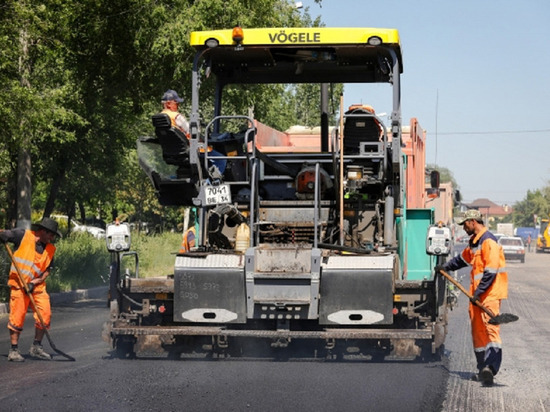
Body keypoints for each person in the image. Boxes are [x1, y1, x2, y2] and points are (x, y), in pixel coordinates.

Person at [436, 209, 508, 386]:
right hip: (477, 297)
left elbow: (491, 271)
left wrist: (479, 293)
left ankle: (491, 368)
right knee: (478, 333)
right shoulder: (475, 243)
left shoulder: (488, 241)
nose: (463, 227)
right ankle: (482, 368)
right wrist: (445, 266)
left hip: (489, 294)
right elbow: (461, 259)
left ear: (473, 222)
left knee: (491, 330)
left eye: (465, 224)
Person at [0, 217, 62, 362]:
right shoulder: (23, 235)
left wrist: (34, 282)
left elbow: (47, 271)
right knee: (17, 317)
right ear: (42, 231)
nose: (52, 238)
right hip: (19, 285)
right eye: (51, 234)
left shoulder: (50, 249)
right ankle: (14, 350)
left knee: (45, 314)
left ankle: (36, 347)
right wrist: (2, 235)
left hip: (37, 286)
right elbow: (5, 234)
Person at [159, 89, 226, 175]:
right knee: (221, 159)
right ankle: (213, 183)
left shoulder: (161, 118)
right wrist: (202, 137)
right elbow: (191, 131)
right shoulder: (176, 116)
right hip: (191, 148)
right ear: (168, 103)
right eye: (176, 103)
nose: (178, 105)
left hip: (173, 152)